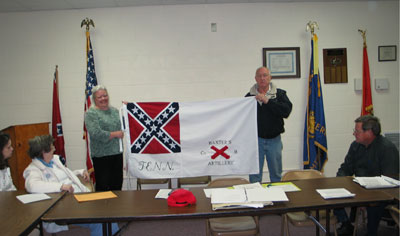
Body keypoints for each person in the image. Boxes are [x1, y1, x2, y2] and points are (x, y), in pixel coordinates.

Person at [23, 134, 119, 234]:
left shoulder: (54, 160)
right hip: (66, 210)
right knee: (102, 221)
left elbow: (66, 175)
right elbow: (32, 186)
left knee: (108, 213)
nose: (54, 149)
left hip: (80, 199)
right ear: (43, 152)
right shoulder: (33, 169)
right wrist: (60, 187)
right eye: (52, 147)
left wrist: (80, 172)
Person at [334, 115, 399, 236]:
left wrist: (366, 197)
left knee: (373, 205)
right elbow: (346, 168)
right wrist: (338, 183)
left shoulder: (387, 149)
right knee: (332, 197)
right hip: (359, 188)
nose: (354, 134)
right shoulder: (355, 146)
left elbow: (390, 182)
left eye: (357, 131)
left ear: (369, 132)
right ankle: (346, 224)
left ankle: (371, 233)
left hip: (380, 194)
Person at [245, 66, 292, 183]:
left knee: (276, 174)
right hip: (256, 141)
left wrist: (267, 101)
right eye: (259, 76)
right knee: (255, 175)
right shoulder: (249, 97)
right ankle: (255, 199)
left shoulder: (280, 94)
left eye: (265, 75)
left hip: (274, 141)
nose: (262, 78)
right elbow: (243, 118)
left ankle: (277, 199)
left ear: (270, 77)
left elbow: (286, 111)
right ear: (255, 78)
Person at [85, 85, 124, 191]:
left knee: (117, 186)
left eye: (105, 95)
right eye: (100, 97)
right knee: (103, 187)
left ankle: (116, 207)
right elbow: (95, 133)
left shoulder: (115, 111)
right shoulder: (91, 113)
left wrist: (129, 109)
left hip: (117, 154)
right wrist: (115, 134)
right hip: (101, 157)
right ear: (94, 99)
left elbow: (126, 125)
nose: (103, 99)